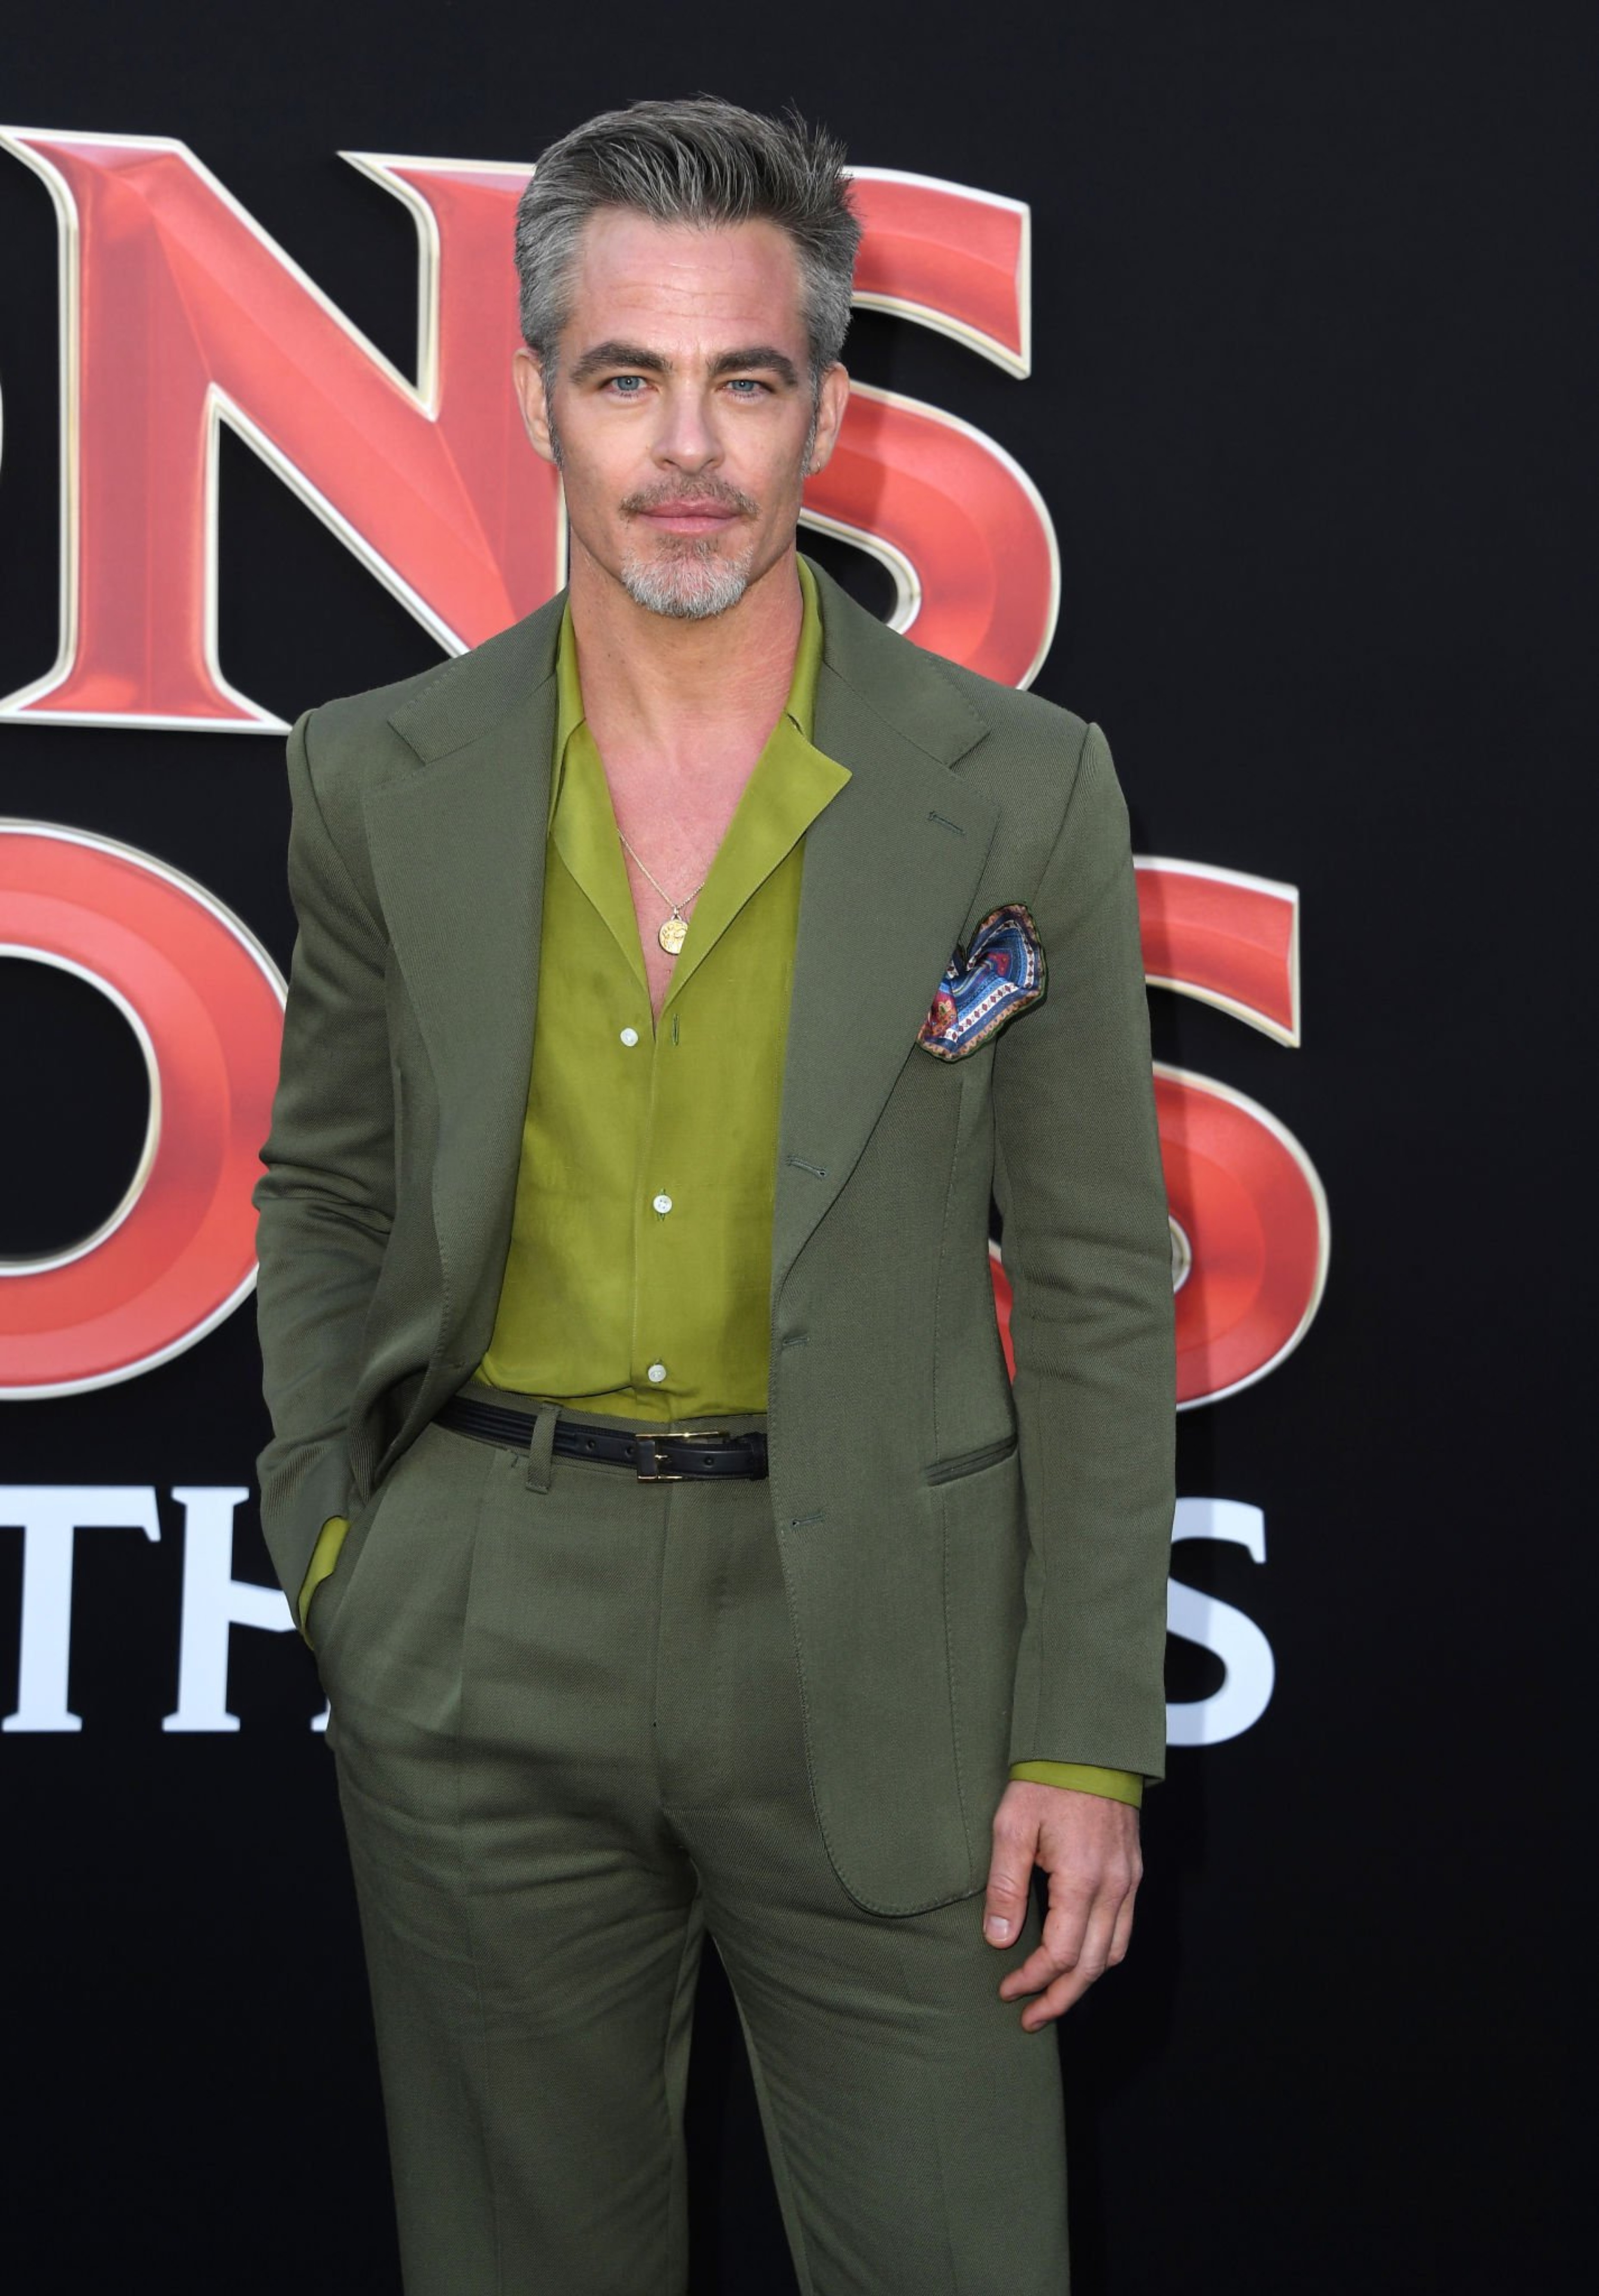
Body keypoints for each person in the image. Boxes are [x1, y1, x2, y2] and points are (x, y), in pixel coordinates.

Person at [253, 94, 1175, 2296]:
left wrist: (1084, 1733)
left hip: (886, 1656)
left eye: (745, 381)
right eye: (625, 377)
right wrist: (343, 1551)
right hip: (479, 1631)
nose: (687, 450)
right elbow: (323, 1183)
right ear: (535, 402)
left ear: (826, 412)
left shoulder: (1018, 789)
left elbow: (1089, 1279)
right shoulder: (376, 774)